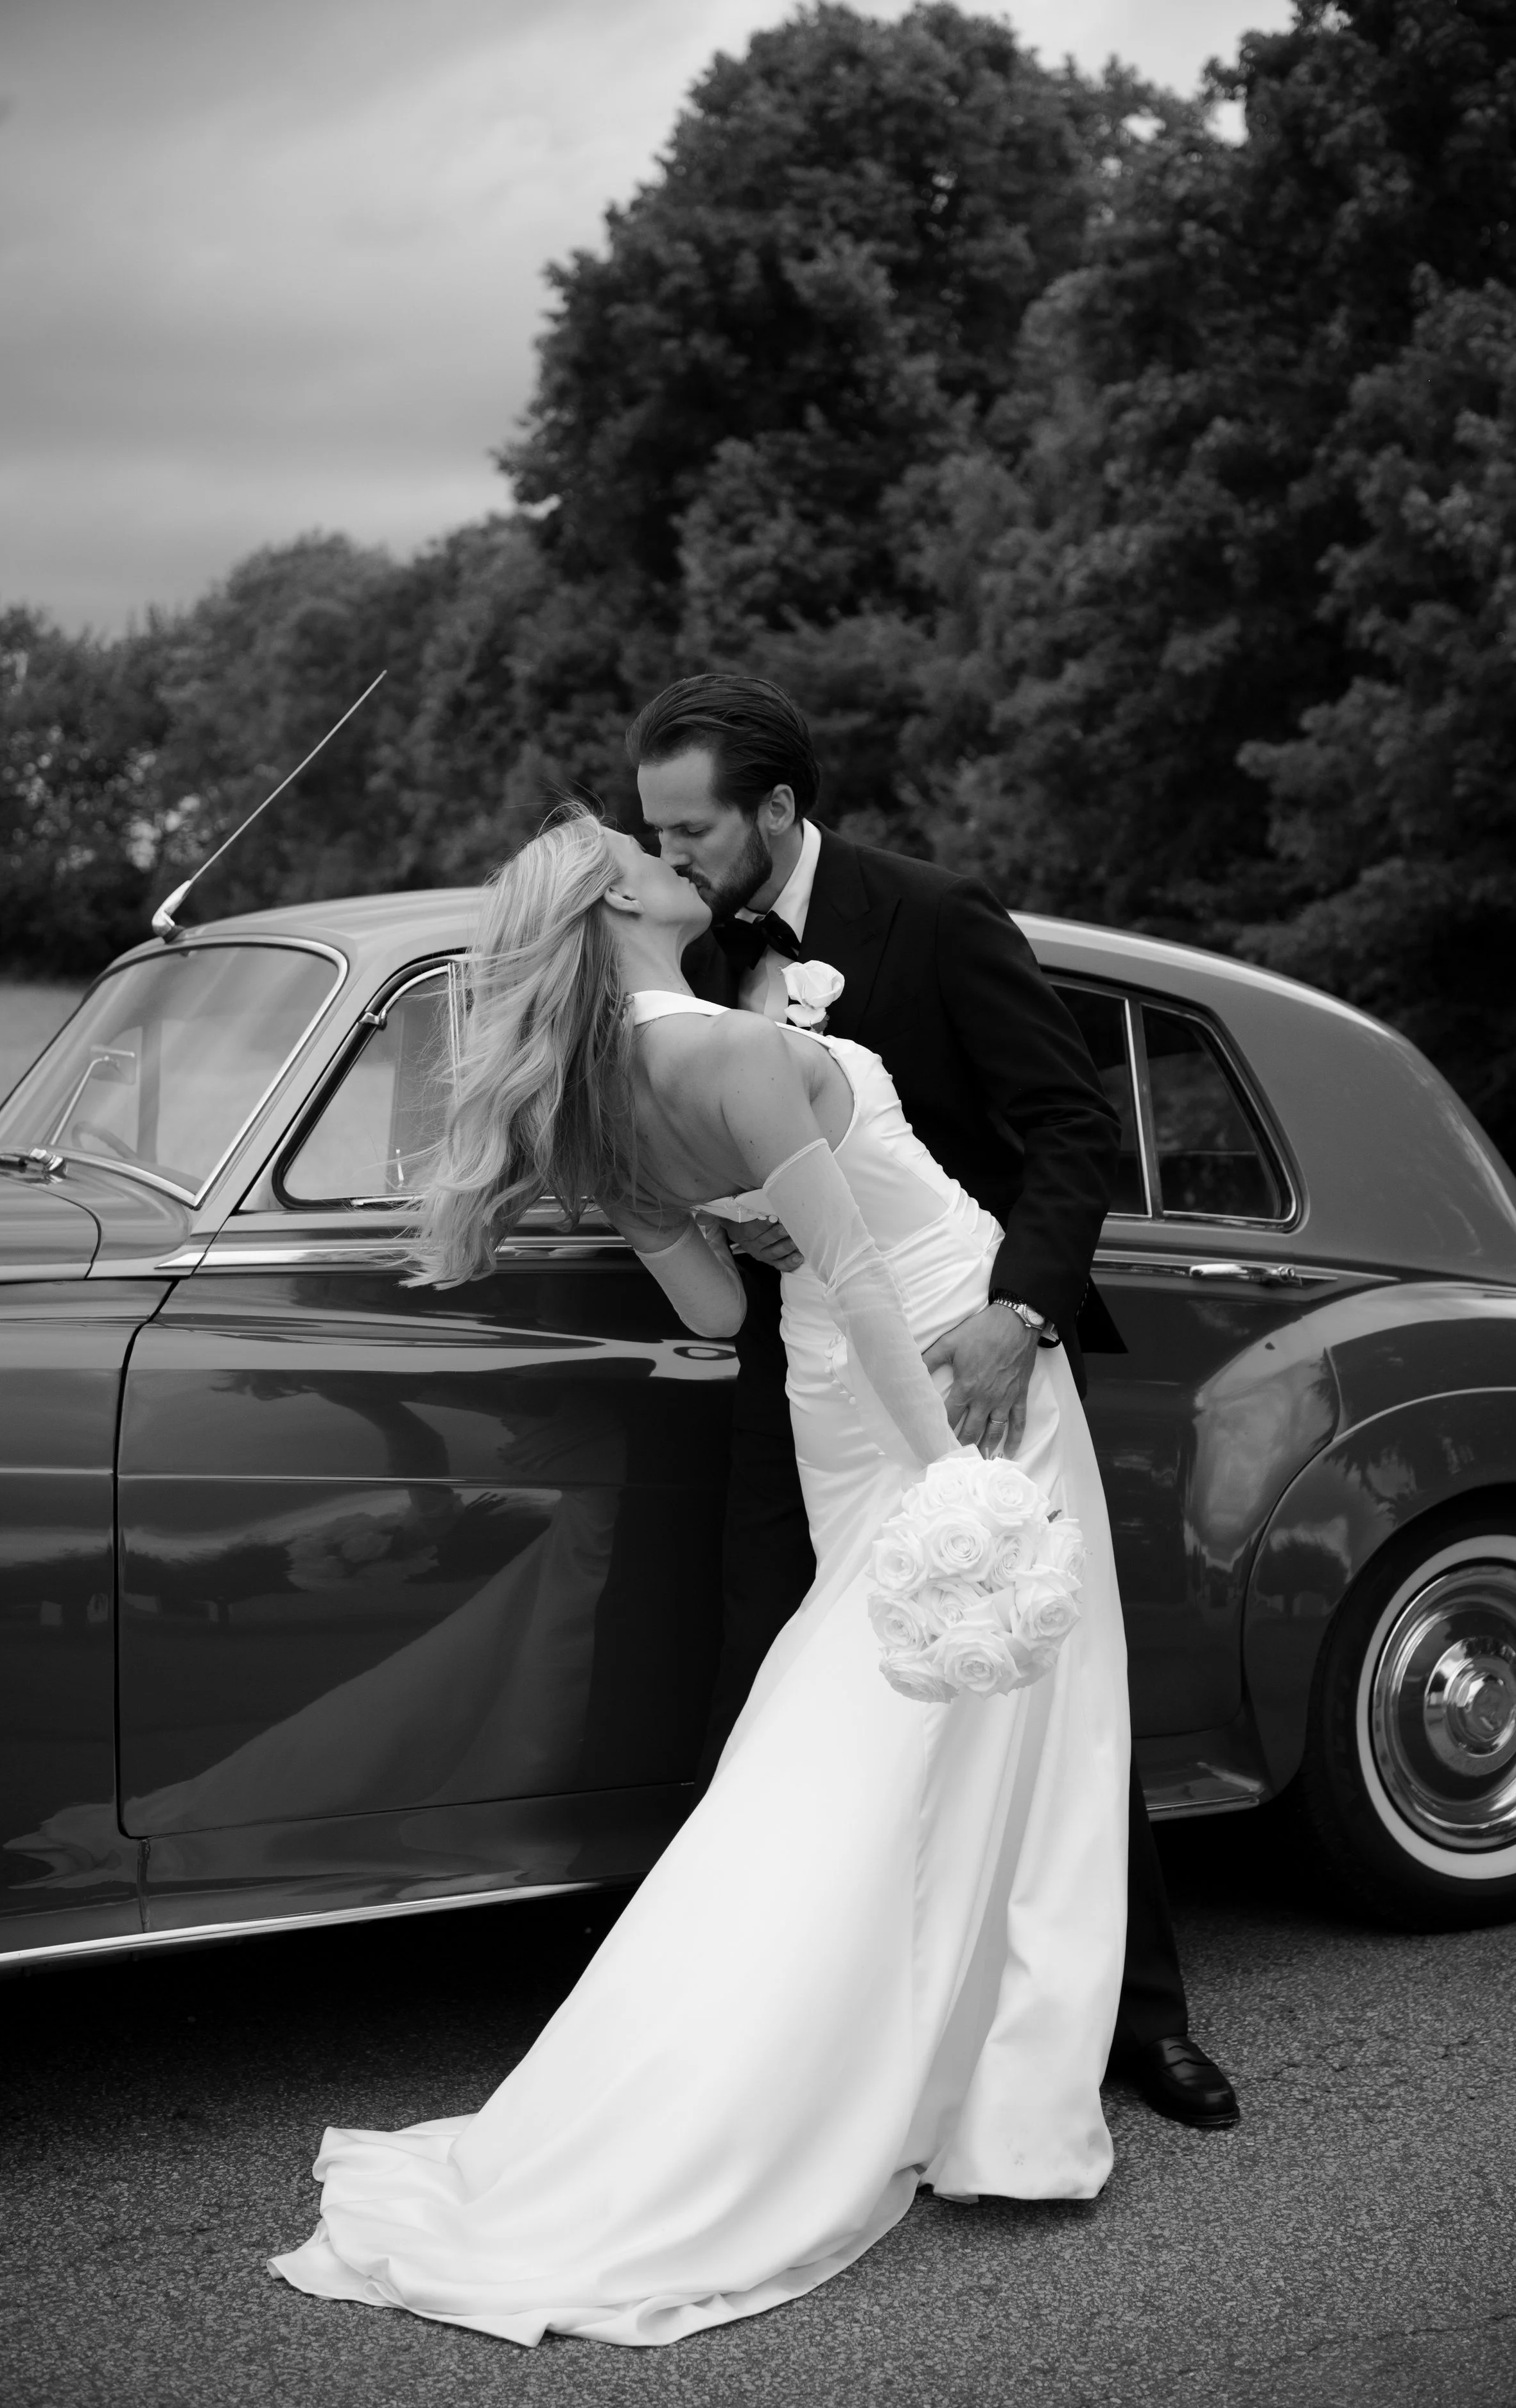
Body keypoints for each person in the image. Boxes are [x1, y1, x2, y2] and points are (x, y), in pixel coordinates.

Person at [272, 799, 1132, 2346]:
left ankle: (891, 2053)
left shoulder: (597, 1107)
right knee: (1014, 1719)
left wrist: (751, 1229)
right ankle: (986, 2099)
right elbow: (865, 1278)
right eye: (644, 857)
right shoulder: (733, 1054)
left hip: (824, 1392)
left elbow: (726, 1309)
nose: (674, 864)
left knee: (872, 1709)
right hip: (939, 1367)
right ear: (610, 909)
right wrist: (947, 1472)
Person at [631, 672, 1239, 2134]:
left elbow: (1067, 1127)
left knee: (1033, 1665)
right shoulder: (672, 955)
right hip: (809, 1379)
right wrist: (736, 1226)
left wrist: (1017, 1317)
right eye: (649, 831)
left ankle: (1134, 2022)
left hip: (968, 1350)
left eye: (693, 830)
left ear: (777, 809)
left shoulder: (935, 915)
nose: (668, 862)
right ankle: (771, 2036)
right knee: (771, 1683)